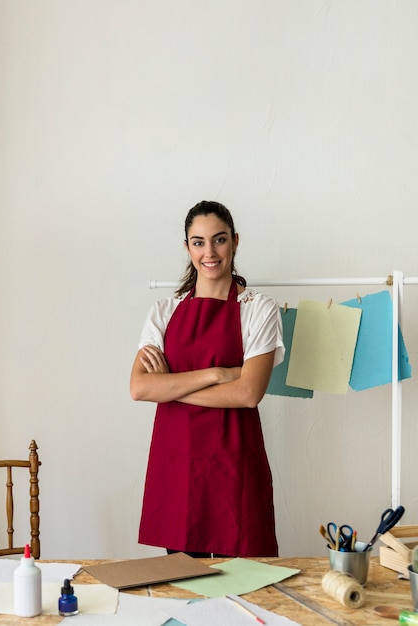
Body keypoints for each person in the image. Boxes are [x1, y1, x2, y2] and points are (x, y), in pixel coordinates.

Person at [130, 200, 285, 557]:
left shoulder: (259, 309)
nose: (209, 252)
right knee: (185, 593)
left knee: (245, 591)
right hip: (177, 468)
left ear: (235, 241)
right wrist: (217, 374)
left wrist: (170, 386)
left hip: (235, 466)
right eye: (198, 242)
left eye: (219, 240)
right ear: (187, 247)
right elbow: (140, 388)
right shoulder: (164, 312)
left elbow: (248, 393)